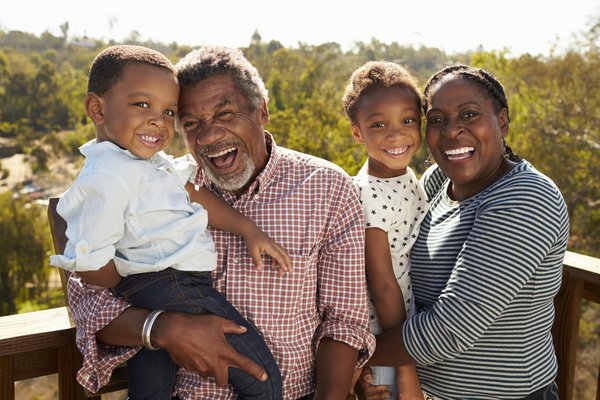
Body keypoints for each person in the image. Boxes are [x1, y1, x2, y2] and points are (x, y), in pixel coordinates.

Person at [64, 45, 376, 400]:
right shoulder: (156, 184)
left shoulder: (326, 188)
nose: (209, 136)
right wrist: (163, 327)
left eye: (225, 115)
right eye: (192, 124)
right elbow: (87, 298)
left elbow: (344, 322)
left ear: (262, 110)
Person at [50, 44, 293, 399]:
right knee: (263, 382)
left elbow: (194, 193)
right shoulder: (107, 176)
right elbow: (89, 267)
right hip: (171, 283)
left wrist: (247, 228)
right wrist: (127, 282)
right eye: (142, 105)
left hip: (160, 292)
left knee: (152, 391)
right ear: (96, 109)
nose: (158, 121)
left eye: (168, 111)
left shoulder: (145, 162)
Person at [356, 65, 569, 400]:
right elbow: (393, 269)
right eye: (437, 119)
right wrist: (384, 381)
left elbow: (451, 329)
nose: (452, 131)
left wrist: (356, 360)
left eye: (469, 114)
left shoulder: (526, 198)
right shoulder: (437, 182)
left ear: (501, 120)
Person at [342, 61, 428, 399]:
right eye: (378, 124)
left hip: (406, 327)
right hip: (384, 332)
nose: (396, 135)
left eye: (407, 121)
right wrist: (402, 356)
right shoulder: (368, 193)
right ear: (357, 132)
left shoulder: (405, 176)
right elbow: (381, 283)